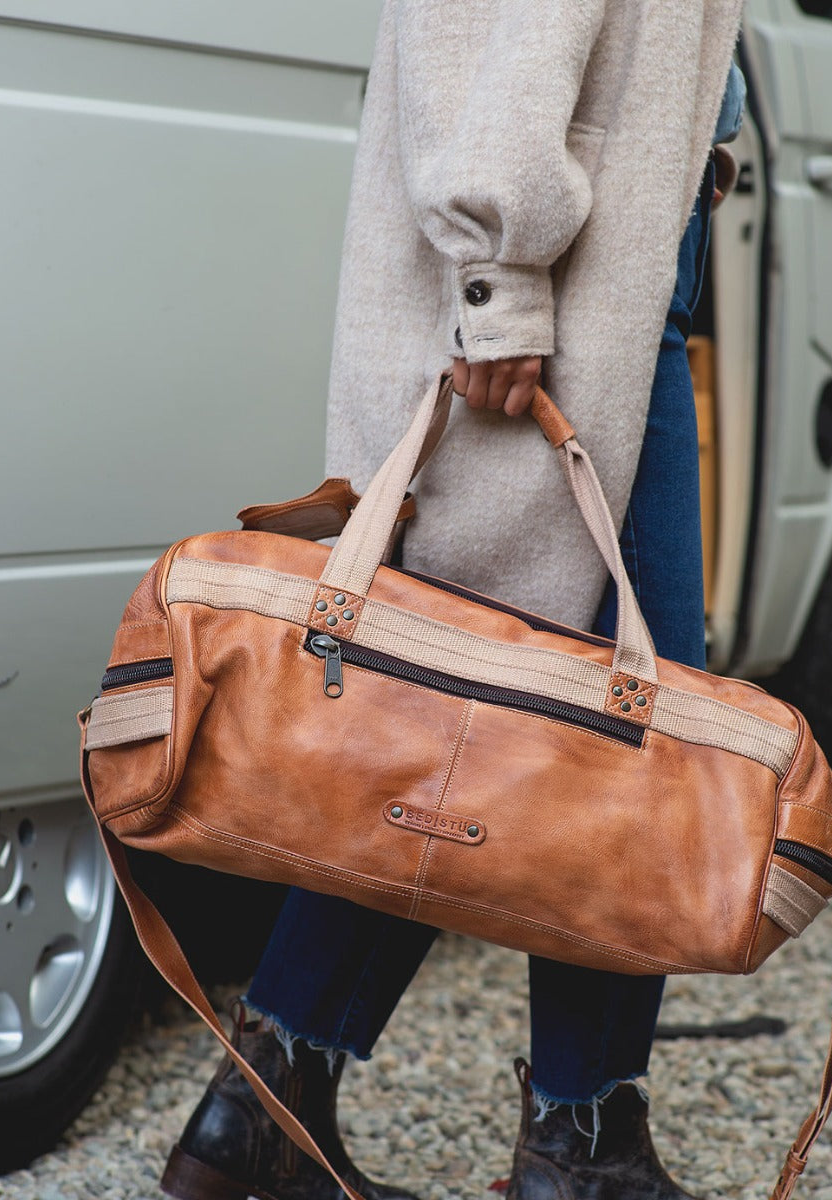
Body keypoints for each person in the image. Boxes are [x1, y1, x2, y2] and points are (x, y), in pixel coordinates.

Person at [160, 5, 745, 1200]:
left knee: (469, 742)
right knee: (615, 746)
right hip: (564, 307)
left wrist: (699, 146)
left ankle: (263, 1111)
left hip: (615, 287)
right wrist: (499, 283)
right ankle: (579, 1144)